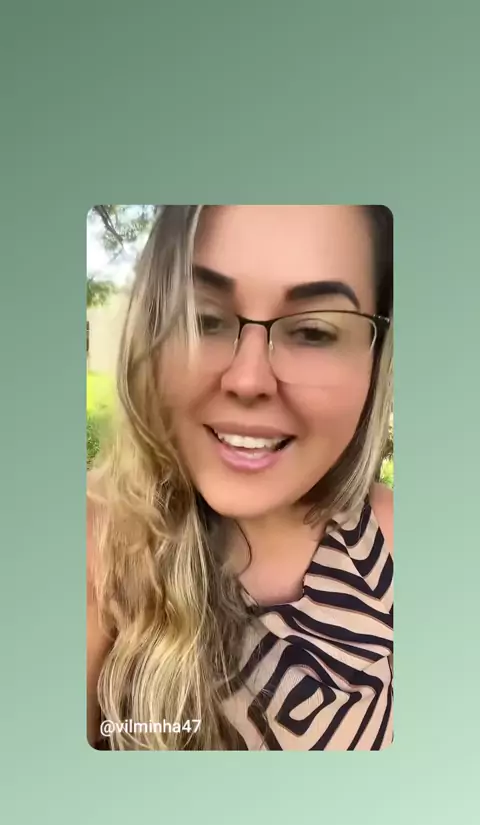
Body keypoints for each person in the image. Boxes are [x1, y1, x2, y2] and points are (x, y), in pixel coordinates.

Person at [87, 204, 393, 751]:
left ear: (376, 356)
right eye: (204, 320)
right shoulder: (92, 552)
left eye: (314, 331)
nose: (248, 379)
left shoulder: (401, 537)